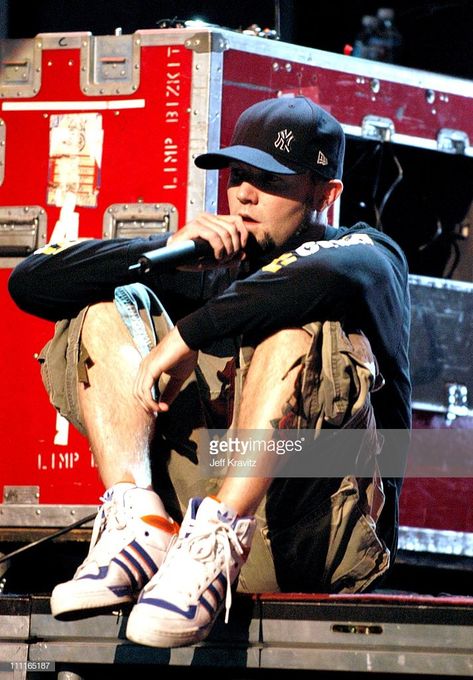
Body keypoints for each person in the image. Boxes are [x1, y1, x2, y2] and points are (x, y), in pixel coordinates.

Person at [8, 95, 411, 648]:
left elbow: (322, 277)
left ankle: (222, 529)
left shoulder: (369, 255)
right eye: (238, 175)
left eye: (270, 180)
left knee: (293, 329)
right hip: (181, 561)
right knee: (104, 311)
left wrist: (186, 334)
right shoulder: (210, 261)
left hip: (316, 539)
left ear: (326, 194)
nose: (244, 194)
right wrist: (163, 250)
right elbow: (31, 281)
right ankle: (138, 519)